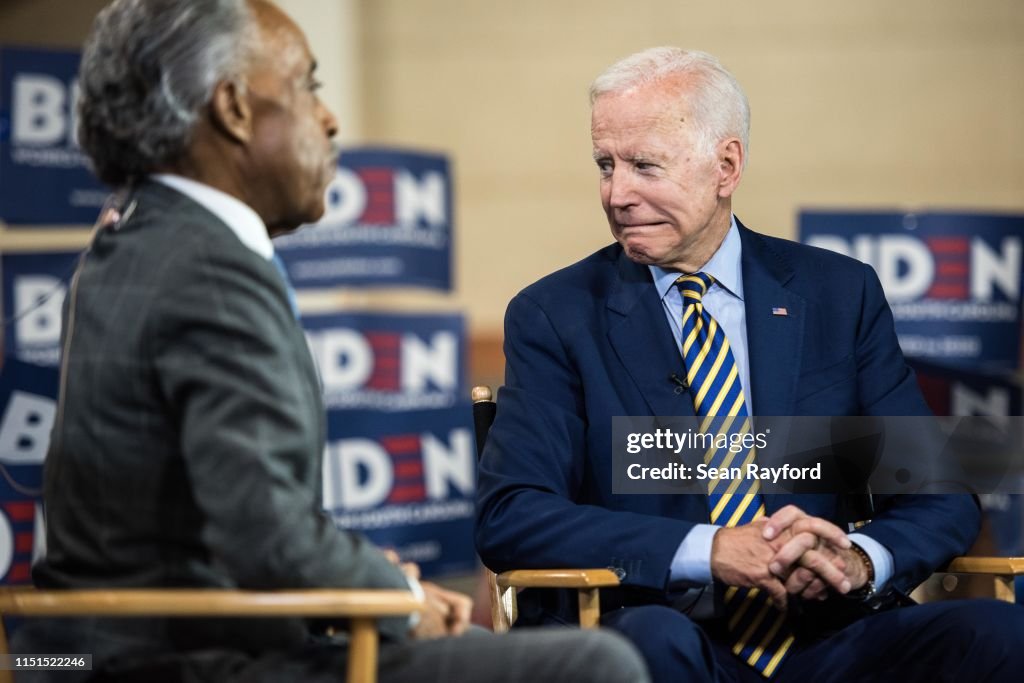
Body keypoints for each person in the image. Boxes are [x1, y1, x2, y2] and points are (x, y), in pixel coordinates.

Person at [13, 2, 650, 682]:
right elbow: (269, 534)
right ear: (232, 107)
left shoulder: (132, 237)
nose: (330, 118)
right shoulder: (208, 267)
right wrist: (399, 599)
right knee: (593, 665)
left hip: (82, 652)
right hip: (180, 660)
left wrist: (377, 584)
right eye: (307, 86)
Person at [475, 46, 1024, 682]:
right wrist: (709, 551)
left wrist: (861, 560)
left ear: (726, 166)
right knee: (649, 646)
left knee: (998, 632)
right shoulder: (555, 314)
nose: (617, 193)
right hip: (661, 626)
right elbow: (512, 512)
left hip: (828, 636)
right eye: (605, 165)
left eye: (645, 166)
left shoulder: (837, 295)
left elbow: (941, 497)